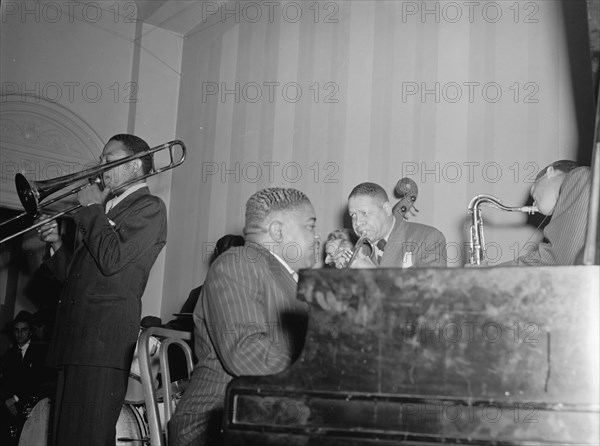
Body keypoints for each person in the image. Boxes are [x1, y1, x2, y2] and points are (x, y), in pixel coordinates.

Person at [36, 134, 168, 446]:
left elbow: (113, 260)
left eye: (109, 159)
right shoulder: (105, 209)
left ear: (135, 165)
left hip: (102, 340)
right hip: (76, 338)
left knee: (88, 437)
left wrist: (93, 208)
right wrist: (56, 244)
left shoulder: (150, 208)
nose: (100, 166)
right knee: (66, 437)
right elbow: (78, 277)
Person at [169, 187, 320, 446]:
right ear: (277, 231)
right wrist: (320, 370)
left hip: (265, 417)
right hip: (213, 425)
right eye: (310, 226)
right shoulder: (238, 261)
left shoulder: (291, 282)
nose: (317, 237)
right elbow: (245, 352)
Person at [326, 182, 447, 268]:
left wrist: (373, 276)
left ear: (387, 209)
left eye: (364, 213)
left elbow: (433, 295)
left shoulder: (428, 238)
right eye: (353, 215)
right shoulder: (357, 250)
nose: (357, 222)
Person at [501, 160, 591, 266]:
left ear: (550, 172)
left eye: (533, 192)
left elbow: (559, 257)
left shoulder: (580, 175)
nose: (534, 204)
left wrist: (489, 272)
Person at [0, 311, 51, 445]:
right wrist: (9, 400)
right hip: (13, 406)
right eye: (16, 330)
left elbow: (36, 380)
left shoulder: (40, 351)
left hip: (33, 405)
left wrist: (15, 398)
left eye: (24, 330)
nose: (20, 334)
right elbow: (7, 380)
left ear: (30, 332)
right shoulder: (10, 354)